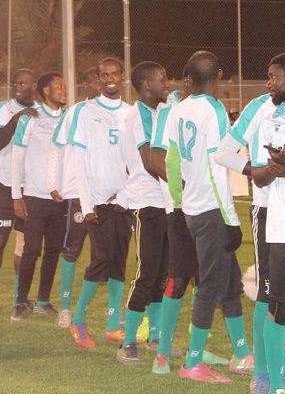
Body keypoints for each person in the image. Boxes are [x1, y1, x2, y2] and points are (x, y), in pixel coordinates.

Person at [217, 52, 285, 394]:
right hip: (270, 211)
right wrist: (255, 171)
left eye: (273, 76)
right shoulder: (261, 107)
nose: (268, 83)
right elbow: (224, 151)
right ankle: (262, 373)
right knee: (268, 295)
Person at [166, 51, 253, 383]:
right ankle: (193, 362)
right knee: (212, 284)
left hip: (192, 206)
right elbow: (219, 164)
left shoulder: (178, 108)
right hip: (210, 209)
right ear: (218, 76)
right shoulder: (213, 109)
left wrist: (179, 202)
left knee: (230, 282)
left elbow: (174, 161)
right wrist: (231, 219)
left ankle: (242, 354)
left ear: (189, 77)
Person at [66, 57, 132, 348]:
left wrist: (128, 195)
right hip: (96, 201)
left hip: (123, 201)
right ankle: (78, 321)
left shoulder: (131, 113)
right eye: (104, 74)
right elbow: (79, 161)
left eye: (114, 73)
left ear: (122, 75)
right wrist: (87, 203)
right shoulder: (86, 112)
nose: (110, 79)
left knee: (118, 263)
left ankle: (111, 324)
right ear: (98, 78)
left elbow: (135, 161)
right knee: (100, 260)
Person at [115, 62, 170, 366]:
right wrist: (183, 184)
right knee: (146, 274)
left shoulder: (159, 111)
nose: (168, 83)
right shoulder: (138, 117)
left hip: (164, 201)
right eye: (162, 79)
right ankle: (127, 343)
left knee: (161, 275)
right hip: (147, 201)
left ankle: (156, 338)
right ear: (147, 85)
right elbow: (150, 162)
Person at [10, 72, 67, 321]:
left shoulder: (68, 119)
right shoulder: (32, 118)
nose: (63, 90)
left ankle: (43, 300)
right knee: (31, 251)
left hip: (61, 199)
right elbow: (17, 158)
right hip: (33, 196)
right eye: (58, 87)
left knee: (53, 251)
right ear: (45, 91)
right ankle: (20, 302)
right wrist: (16, 196)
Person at [48, 67, 102, 327]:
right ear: (87, 85)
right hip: (79, 193)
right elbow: (57, 149)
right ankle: (65, 307)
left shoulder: (122, 113)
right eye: (93, 80)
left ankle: (114, 312)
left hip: (108, 195)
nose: (99, 84)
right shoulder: (75, 112)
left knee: (110, 254)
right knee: (72, 249)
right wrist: (53, 182)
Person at [0, 69, 38, 316]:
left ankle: (20, 298)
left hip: (32, 187)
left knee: (25, 247)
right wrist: (18, 118)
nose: (18, 86)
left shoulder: (42, 111)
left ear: (34, 85)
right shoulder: (2, 108)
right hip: (6, 184)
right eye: (15, 82)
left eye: (23, 83)